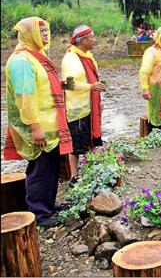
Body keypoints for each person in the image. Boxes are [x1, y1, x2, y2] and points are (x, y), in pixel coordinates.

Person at [3, 17, 73, 228]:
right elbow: (25, 96)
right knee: (40, 169)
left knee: (48, 167)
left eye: (46, 31)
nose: (45, 36)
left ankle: (47, 204)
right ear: (28, 34)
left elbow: (43, 85)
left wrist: (62, 84)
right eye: (40, 32)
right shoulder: (22, 61)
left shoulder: (37, 56)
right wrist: (34, 126)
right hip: (39, 126)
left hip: (50, 124)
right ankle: (40, 214)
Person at [62, 25, 106, 188]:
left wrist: (98, 98)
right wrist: (91, 87)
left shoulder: (87, 56)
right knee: (76, 144)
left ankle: (89, 172)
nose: (95, 40)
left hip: (90, 104)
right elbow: (68, 85)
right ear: (84, 40)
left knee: (91, 140)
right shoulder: (71, 59)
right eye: (92, 37)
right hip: (77, 108)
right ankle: (74, 176)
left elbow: (94, 79)